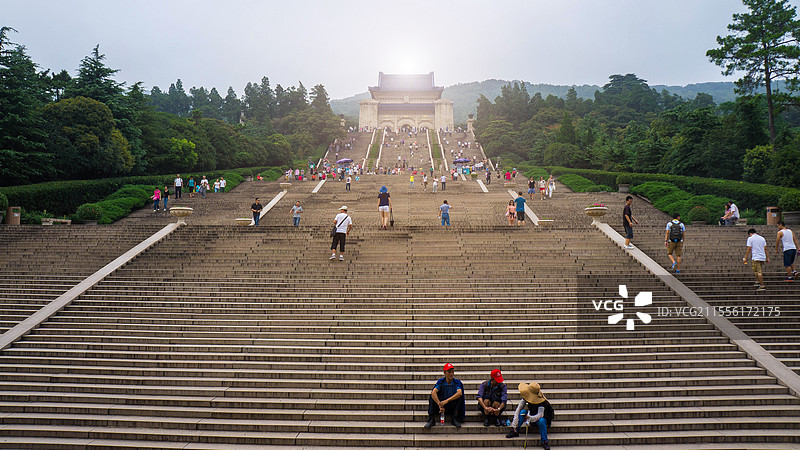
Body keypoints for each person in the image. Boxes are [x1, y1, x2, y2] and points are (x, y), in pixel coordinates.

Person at [505, 382, 554, 450]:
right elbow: (519, 409)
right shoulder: (526, 397)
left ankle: (544, 441)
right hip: (531, 415)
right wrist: (514, 424)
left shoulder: (542, 402)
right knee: (522, 412)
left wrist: (529, 418)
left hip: (540, 418)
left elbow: (540, 415)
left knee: (541, 421)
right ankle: (516, 431)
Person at [424, 363, 465, 429]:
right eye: (449, 372)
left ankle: (455, 417)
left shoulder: (456, 382)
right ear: (445, 373)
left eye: (452, 372)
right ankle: (431, 419)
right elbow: (434, 392)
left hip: (451, 405)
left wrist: (446, 401)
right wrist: (439, 404)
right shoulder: (441, 381)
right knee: (432, 396)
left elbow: (459, 393)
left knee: (458, 397)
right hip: (441, 406)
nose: (451, 374)